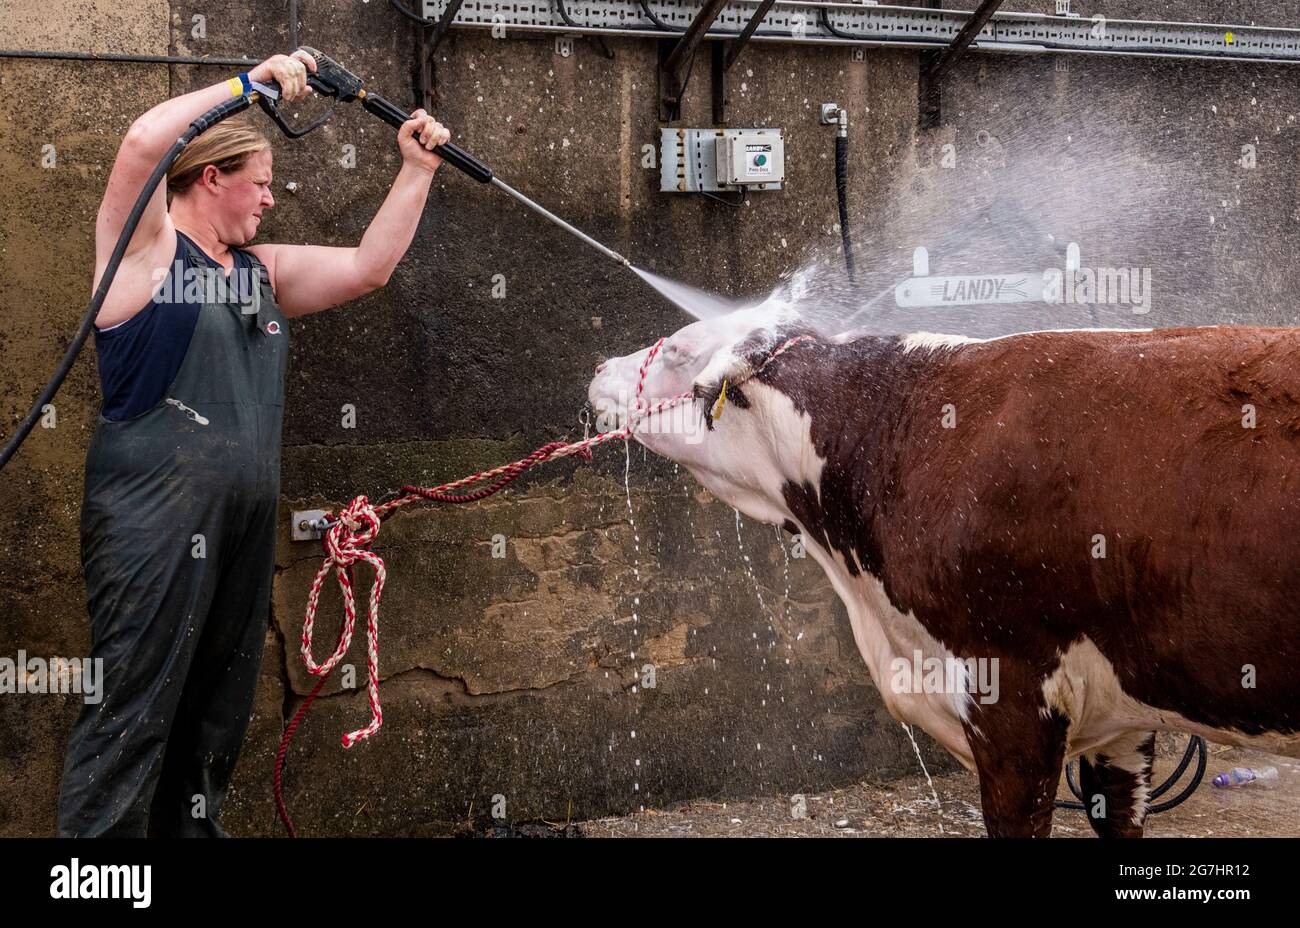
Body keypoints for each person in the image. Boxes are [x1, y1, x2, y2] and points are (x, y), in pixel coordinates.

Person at [56, 49, 450, 837]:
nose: (272, 198)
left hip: (238, 531)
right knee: (131, 710)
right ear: (211, 178)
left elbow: (369, 268)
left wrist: (416, 170)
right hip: (150, 526)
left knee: (215, 716)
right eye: (261, 182)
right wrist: (249, 86)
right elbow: (142, 143)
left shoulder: (258, 272)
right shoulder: (146, 253)